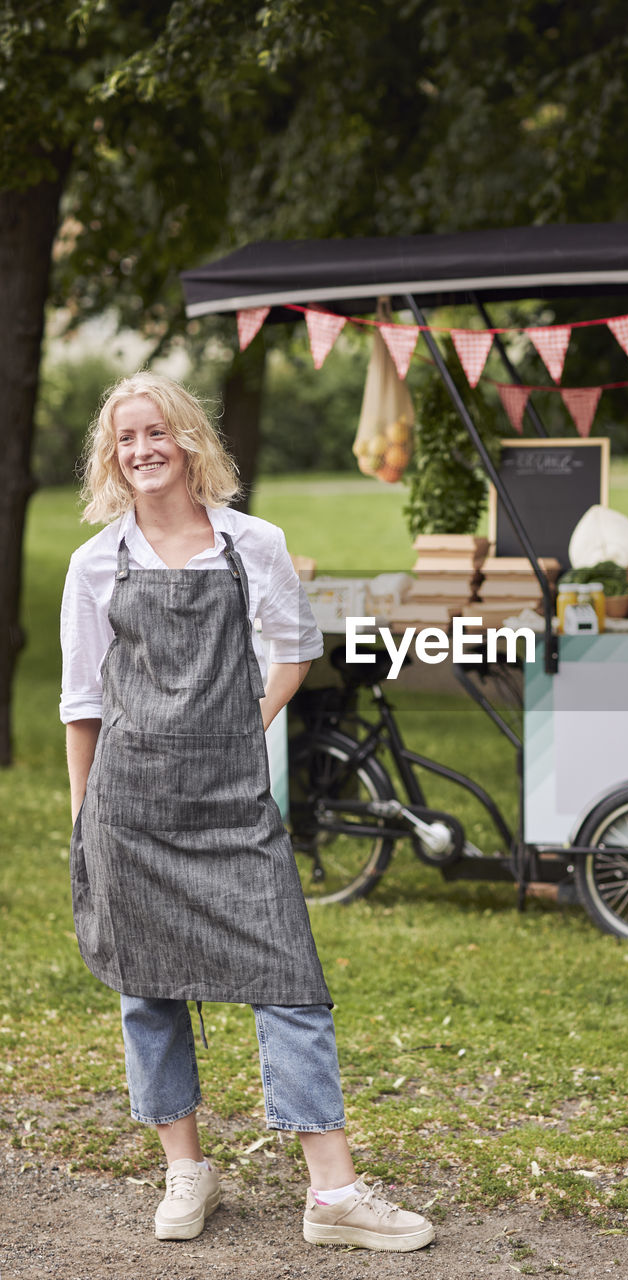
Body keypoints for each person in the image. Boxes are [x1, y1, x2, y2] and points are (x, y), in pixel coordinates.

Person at [60, 371, 434, 1252]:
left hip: (231, 804)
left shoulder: (251, 543)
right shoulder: (95, 562)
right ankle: (185, 1169)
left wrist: (243, 726)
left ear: (189, 440)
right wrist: (84, 822)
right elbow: (82, 702)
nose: (143, 450)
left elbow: (295, 650)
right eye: (126, 439)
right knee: (147, 990)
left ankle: (333, 1197)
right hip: (129, 808)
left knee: (290, 982)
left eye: (158, 433)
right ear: (112, 457)